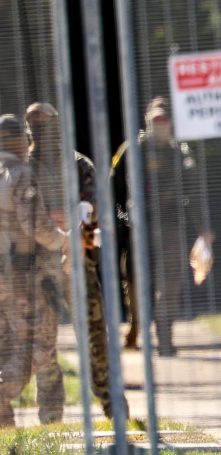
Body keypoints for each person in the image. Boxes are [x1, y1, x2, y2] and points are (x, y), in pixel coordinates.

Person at [25, 102, 123, 419]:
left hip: (77, 262)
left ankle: (113, 407)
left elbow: (94, 206)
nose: (40, 129)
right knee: (44, 343)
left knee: (94, 333)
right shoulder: (23, 167)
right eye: (33, 123)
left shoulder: (78, 164)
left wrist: (77, 230)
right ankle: (51, 417)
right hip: (39, 268)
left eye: (45, 123)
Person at [112, 96, 210, 356]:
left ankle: (165, 338)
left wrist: (203, 228)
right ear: (147, 122)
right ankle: (135, 326)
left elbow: (193, 192)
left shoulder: (179, 153)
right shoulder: (131, 151)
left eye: (164, 120)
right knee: (135, 282)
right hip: (139, 228)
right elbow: (114, 190)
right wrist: (121, 222)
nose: (160, 125)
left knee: (170, 284)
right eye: (156, 120)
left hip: (170, 225)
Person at [0, 114, 69, 426]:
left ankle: (4, 428)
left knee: (5, 345)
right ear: (22, 142)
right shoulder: (20, 175)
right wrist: (64, 241)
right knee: (39, 345)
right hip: (21, 275)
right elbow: (36, 227)